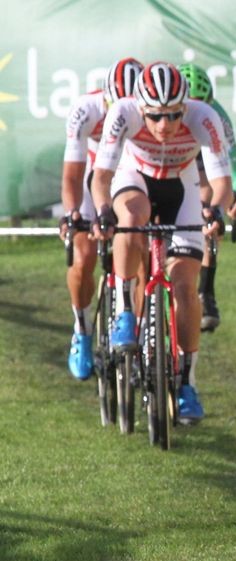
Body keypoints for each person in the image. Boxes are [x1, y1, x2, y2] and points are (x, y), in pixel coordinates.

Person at [91, 60, 233, 424]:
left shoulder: (204, 117)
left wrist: (216, 211)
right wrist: (104, 210)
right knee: (132, 216)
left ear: (185, 108)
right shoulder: (123, 113)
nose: (164, 126)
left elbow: (221, 185)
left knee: (186, 286)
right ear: (141, 109)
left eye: (172, 116)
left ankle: (187, 382)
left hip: (181, 187)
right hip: (135, 176)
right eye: (155, 116)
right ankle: (125, 312)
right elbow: (102, 176)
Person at [59, 56, 143, 380]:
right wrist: (73, 214)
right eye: (112, 105)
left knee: (139, 252)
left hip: (126, 177)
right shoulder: (85, 110)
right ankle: (81, 329)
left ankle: (137, 333)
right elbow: (72, 176)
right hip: (92, 177)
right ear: (103, 96)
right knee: (83, 256)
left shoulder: (143, 114)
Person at [178, 62, 236, 333]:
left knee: (209, 209)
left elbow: (234, 163)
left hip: (202, 160)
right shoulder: (164, 114)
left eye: (202, 105)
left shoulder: (215, 116)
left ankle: (205, 293)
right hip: (170, 159)